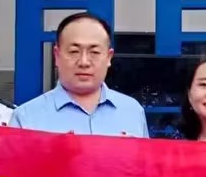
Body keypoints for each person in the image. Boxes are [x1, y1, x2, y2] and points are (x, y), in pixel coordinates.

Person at [9, 12, 148, 137]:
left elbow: (147, 158)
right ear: (57, 55)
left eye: (94, 52)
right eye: (74, 52)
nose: (84, 62)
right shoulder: (26, 117)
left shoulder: (132, 111)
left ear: (108, 57)